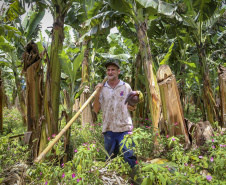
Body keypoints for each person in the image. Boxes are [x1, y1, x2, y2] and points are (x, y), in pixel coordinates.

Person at [93, 60, 138, 169]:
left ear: (118, 72)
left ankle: (133, 179)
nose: (110, 72)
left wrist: (132, 106)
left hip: (125, 127)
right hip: (109, 129)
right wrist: (97, 94)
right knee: (110, 159)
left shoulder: (126, 87)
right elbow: (95, 109)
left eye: (113, 70)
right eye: (108, 70)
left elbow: (132, 107)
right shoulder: (102, 89)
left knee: (129, 155)